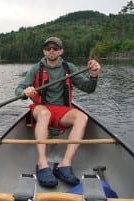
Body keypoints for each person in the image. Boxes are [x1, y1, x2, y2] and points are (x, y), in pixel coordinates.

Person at [15, 37, 101, 188]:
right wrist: (25, 91)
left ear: (61, 51)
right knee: (45, 114)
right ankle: (42, 163)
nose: (52, 51)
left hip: (62, 111)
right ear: (44, 51)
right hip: (41, 109)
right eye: (48, 48)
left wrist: (93, 75)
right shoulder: (36, 68)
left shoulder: (69, 68)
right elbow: (18, 90)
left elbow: (89, 88)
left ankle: (64, 164)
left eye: (55, 48)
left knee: (82, 117)